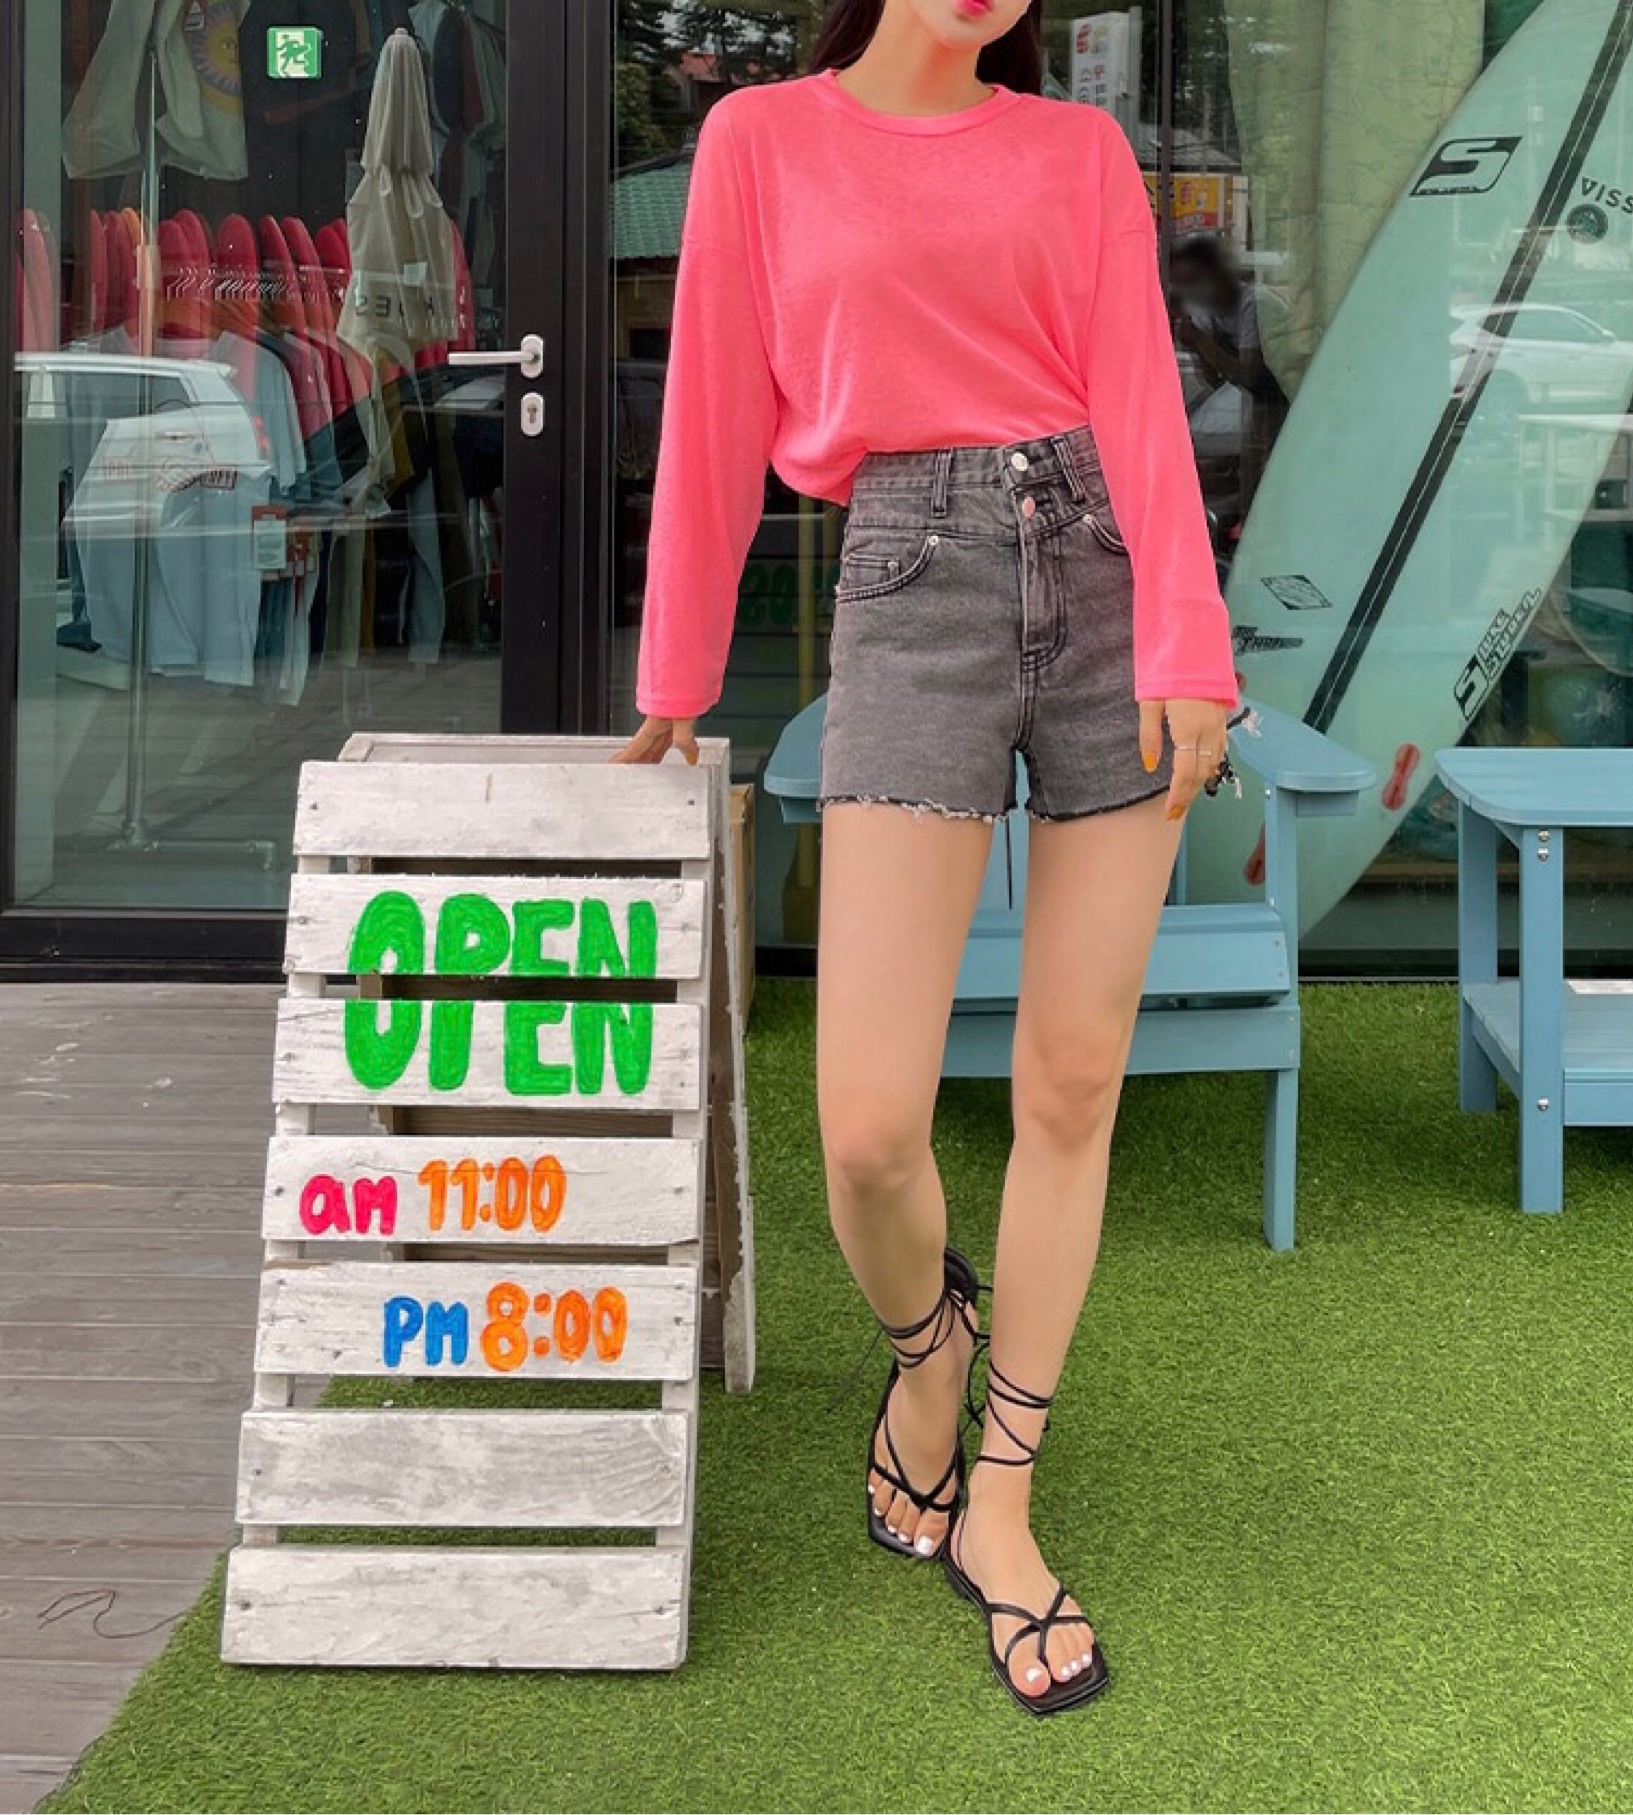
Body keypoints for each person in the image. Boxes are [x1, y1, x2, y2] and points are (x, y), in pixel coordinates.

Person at [611, 0, 1240, 1717]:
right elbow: (714, 407)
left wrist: (1190, 641)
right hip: (906, 579)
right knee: (871, 1123)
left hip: (1112, 577)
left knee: (1071, 1084)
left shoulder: (1076, 150)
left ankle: (1004, 1502)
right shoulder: (762, 142)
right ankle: (928, 1350)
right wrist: (675, 672)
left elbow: (1140, 393)